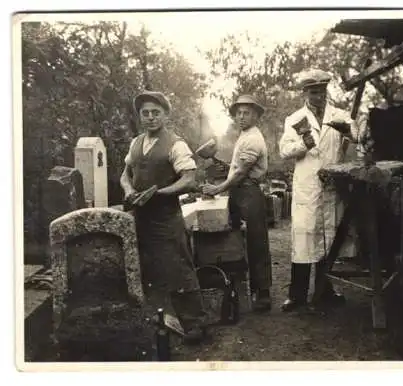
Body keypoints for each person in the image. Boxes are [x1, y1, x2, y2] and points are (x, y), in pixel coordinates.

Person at [120, 90, 209, 344]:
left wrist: (159, 193)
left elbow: (189, 179)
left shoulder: (175, 144)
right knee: (146, 269)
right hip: (139, 216)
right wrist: (128, 190)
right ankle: (156, 321)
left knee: (179, 268)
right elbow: (125, 174)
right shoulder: (136, 143)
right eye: (145, 113)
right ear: (140, 116)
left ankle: (195, 324)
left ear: (165, 115)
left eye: (155, 113)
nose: (150, 118)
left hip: (166, 217)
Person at [279, 69, 360, 312]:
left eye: (322, 91)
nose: (318, 96)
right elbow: (284, 151)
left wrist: (347, 131)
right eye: (313, 92)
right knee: (304, 238)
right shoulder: (294, 119)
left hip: (332, 184)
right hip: (308, 185)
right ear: (305, 93)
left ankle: (325, 290)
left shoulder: (339, 114)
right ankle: (297, 295)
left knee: (329, 237)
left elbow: (358, 135)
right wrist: (302, 145)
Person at [202, 95, 272, 312]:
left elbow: (241, 173)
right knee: (233, 237)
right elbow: (236, 167)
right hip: (239, 192)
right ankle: (237, 284)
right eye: (239, 113)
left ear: (256, 116)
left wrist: (217, 188)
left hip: (249, 192)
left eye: (247, 113)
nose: (241, 117)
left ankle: (263, 293)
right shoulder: (244, 135)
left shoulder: (253, 139)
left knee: (256, 241)